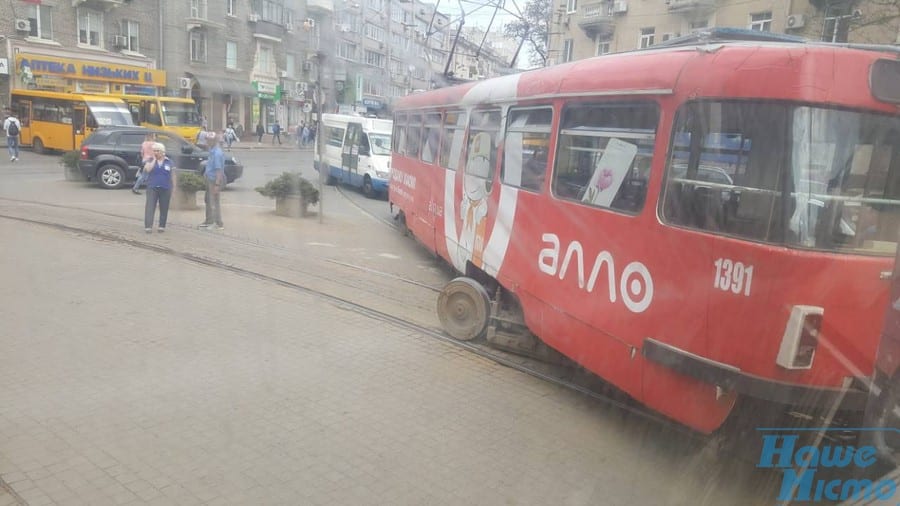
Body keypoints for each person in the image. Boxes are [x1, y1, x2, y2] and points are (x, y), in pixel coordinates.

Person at [143, 142, 175, 233]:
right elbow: (148, 169)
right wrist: (154, 160)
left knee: (164, 207)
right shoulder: (150, 160)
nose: (156, 153)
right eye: (154, 151)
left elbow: (173, 175)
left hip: (165, 187)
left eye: (157, 151)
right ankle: (148, 226)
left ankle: (162, 226)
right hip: (152, 187)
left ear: (162, 152)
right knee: (150, 206)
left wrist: (174, 187)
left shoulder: (169, 162)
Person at [199, 133, 225, 230]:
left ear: (214, 141)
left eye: (209, 140)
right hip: (209, 178)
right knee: (208, 200)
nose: (207, 141)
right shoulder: (212, 151)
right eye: (207, 139)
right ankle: (209, 220)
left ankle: (218, 223)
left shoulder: (217, 153)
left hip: (214, 180)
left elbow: (219, 170)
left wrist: (217, 184)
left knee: (214, 201)